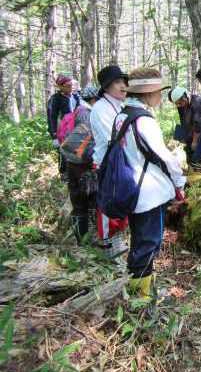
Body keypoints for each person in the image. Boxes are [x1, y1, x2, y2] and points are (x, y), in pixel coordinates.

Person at [113, 68, 186, 299]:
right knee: (148, 243)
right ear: (149, 93)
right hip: (148, 192)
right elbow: (164, 156)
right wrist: (179, 182)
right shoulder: (143, 120)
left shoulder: (122, 115)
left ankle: (142, 288)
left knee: (141, 241)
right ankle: (141, 299)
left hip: (132, 188)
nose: (160, 97)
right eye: (158, 92)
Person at [90, 65, 129, 258]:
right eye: (117, 82)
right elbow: (114, 138)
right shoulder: (100, 109)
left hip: (121, 160)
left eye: (123, 81)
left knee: (120, 199)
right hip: (108, 161)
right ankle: (106, 243)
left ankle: (117, 240)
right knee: (108, 201)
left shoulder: (119, 106)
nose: (123, 86)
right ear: (106, 87)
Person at [60, 85, 100, 244]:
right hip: (83, 164)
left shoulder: (76, 111)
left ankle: (81, 241)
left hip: (71, 162)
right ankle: (88, 240)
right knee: (89, 201)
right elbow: (89, 144)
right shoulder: (87, 114)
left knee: (78, 202)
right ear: (93, 99)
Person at [168, 86, 201, 172]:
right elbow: (183, 121)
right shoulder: (181, 105)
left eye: (179, 103)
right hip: (189, 130)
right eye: (176, 104)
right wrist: (181, 140)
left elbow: (198, 125)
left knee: (197, 158)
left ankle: (200, 174)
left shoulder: (197, 103)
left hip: (200, 133)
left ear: (185, 98)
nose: (178, 106)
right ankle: (189, 173)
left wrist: (194, 141)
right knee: (186, 154)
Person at [47, 74, 80, 178]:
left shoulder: (75, 96)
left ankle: (75, 172)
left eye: (71, 85)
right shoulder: (55, 99)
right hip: (63, 130)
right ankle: (64, 173)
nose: (70, 87)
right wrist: (54, 136)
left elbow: (80, 111)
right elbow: (52, 117)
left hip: (76, 128)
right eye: (67, 85)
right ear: (61, 86)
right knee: (64, 152)